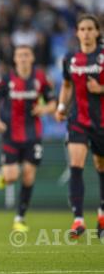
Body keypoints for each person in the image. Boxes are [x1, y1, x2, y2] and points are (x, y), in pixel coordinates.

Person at [0, 45, 56, 232]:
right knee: (12, 177)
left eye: (27, 55)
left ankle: (20, 217)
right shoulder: (5, 79)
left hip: (33, 134)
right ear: (15, 59)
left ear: (32, 57)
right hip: (10, 134)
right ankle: (5, 177)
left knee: (28, 175)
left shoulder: (40, 78)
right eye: (20, 55)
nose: (24, 58)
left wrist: (45, 109)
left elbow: (53, 102)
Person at [55, 14, 104, 239]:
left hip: (102, 121)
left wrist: (101, 89)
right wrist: (61, 105)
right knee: (76, 164)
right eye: (81, 29)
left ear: (96, 32)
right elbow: (66, 84)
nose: (85, 33)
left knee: (100, 166)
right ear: (77, 32)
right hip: (78, 120)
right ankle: (78, 220)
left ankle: (102, 214)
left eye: (89, 29)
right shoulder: (70, 59)